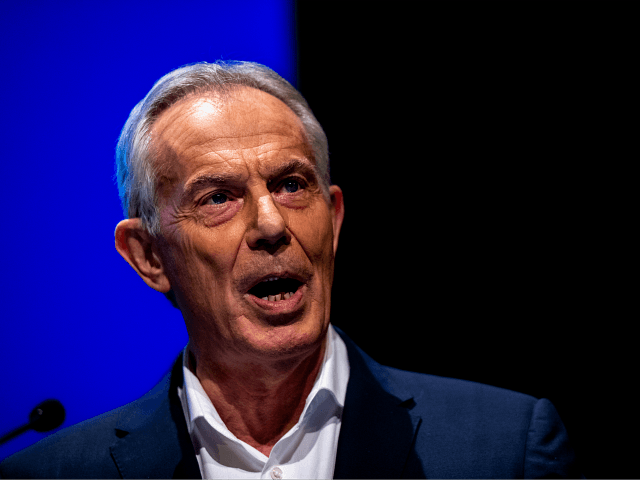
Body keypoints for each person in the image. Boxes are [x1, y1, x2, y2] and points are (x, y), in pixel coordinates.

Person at [0, 61, 583, 479]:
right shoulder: (51, 473)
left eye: (290, 184)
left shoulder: (505, 449)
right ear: (150, 256)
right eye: (217, 197)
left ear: (332, 219)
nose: (271, 224)